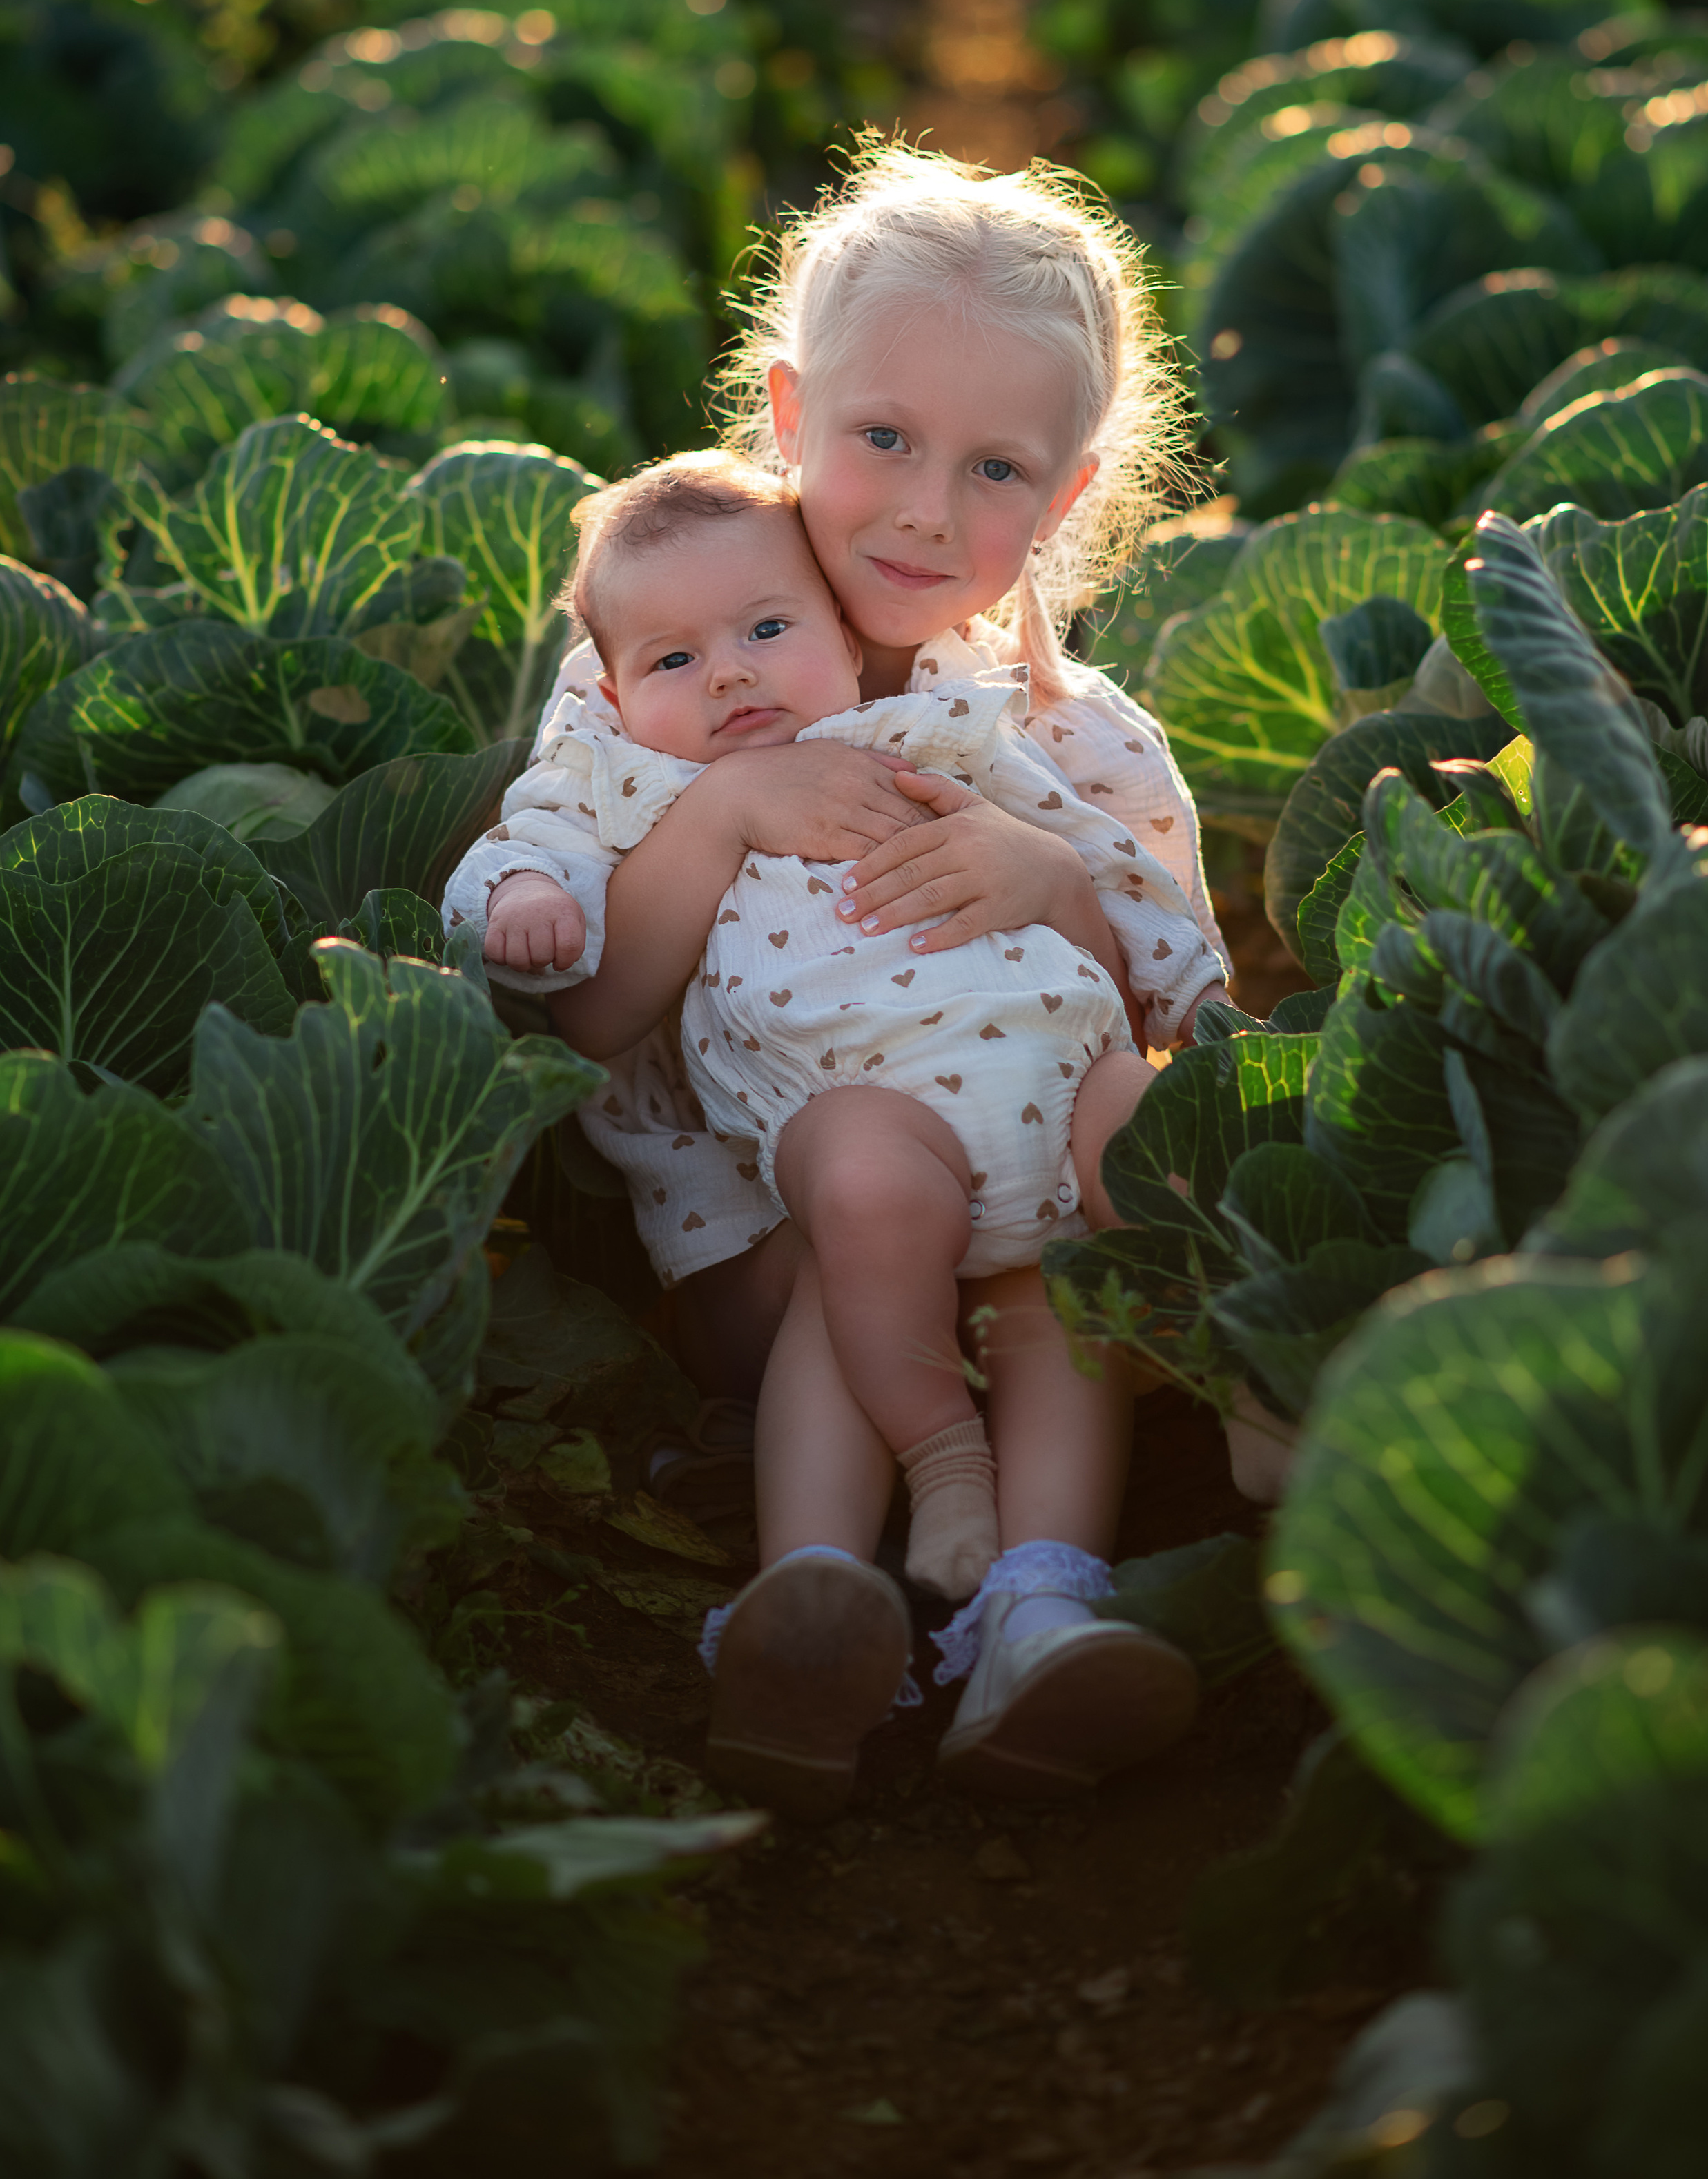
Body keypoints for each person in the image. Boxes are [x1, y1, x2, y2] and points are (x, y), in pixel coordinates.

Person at [445, 142, 1230, 1817]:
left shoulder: (1075, 739)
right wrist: (725, 814)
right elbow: (584, 1023)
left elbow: (1172, 1034)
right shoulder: (658, 674)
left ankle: (1037, 1613)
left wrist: (1055, 888)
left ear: (1070, 496)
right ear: (792, 418)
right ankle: (807, 1608)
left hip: (1027, 1189)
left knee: (1065, 1258)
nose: (930, 509)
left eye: (997, 467)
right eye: (882, 439)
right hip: (772, 1242)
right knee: (872, 1216)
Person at [452, 453, 1223, 1625]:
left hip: (1056, 1100)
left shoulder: (943, 725)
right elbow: (536, 869)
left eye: (768, 628)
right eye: (674, 660)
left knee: (1163, 1138)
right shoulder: (626, 780)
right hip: (861, 1158)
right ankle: (855, 1556)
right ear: (610, 697)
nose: (730, 675)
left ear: (844, 633)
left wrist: (1139, 949)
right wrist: (522, 899)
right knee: (870, 1203)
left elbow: (1107, 878)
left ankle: (1070, 1580)